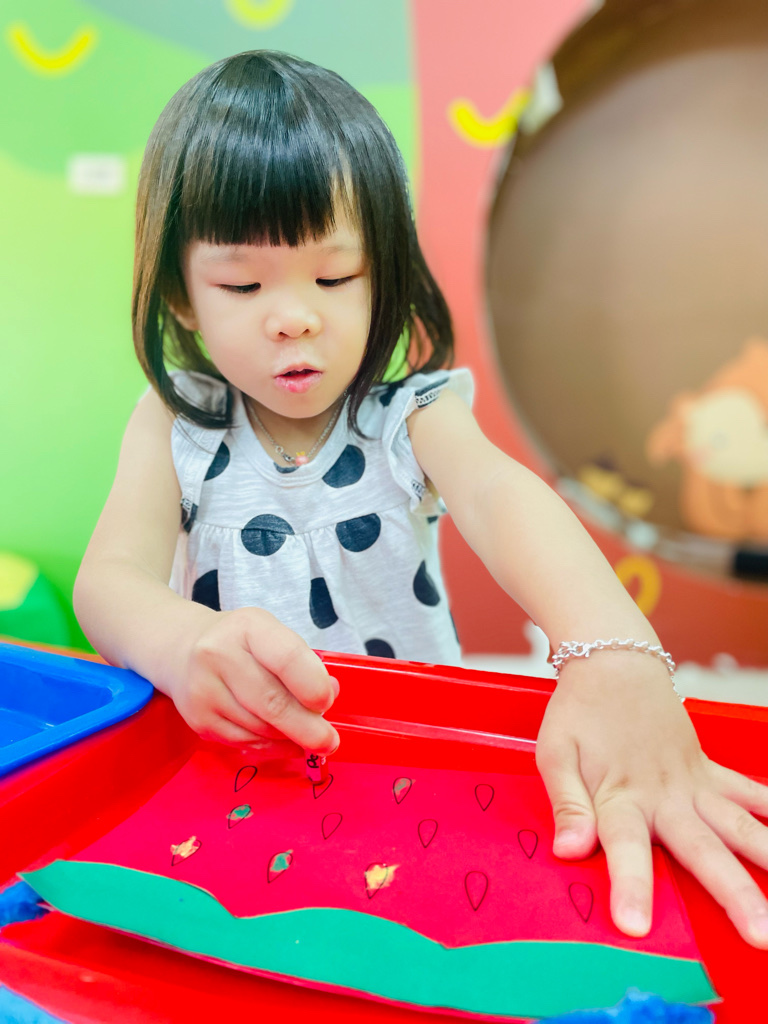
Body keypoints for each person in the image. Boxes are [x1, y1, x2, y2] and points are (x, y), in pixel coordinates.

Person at [75, 49, 768, 949]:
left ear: (384, 274)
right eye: (242, 285)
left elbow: (501, 496)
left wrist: (615, 655)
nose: (295, 316)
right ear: (180, 295)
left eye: (335, 277)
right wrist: (180, 643)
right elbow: (109, 583)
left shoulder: (410, 414)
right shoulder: (180, 421)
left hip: (412, 754)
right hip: (236, 760)